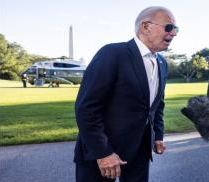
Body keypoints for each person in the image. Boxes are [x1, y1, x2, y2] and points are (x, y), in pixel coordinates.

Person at [74, 6, 177, 181]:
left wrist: (157, 135)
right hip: (102, 154)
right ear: (145, 26)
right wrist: (103, 152)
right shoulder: (113, 53)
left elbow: (157, 105)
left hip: (139, 152)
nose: (173, 33)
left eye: (176, 29)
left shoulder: (162, 63)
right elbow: (86, 108)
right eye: (168, 27)